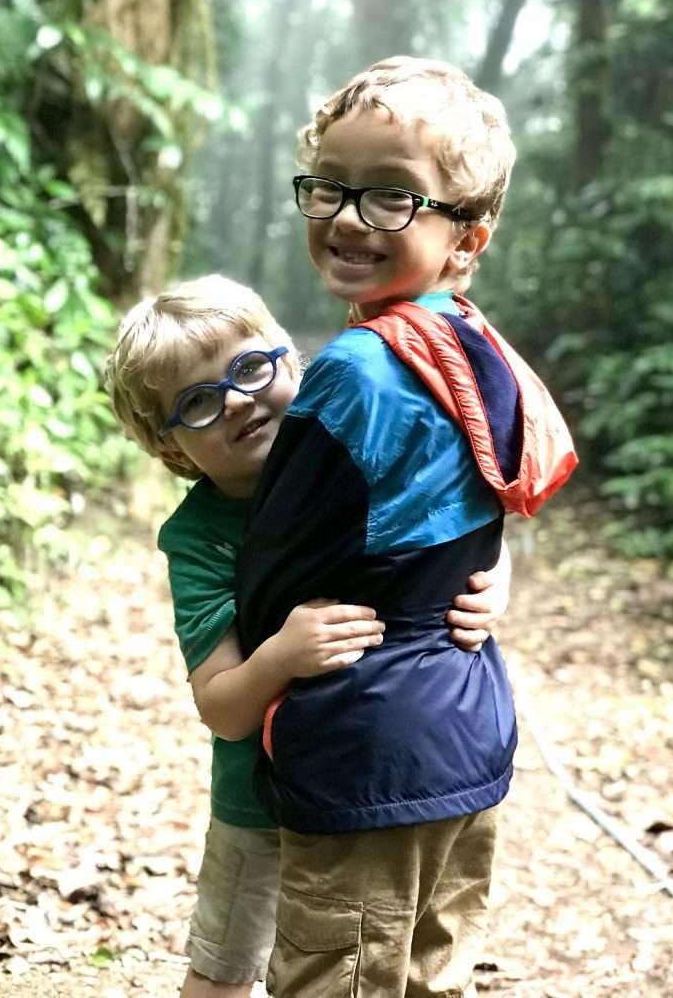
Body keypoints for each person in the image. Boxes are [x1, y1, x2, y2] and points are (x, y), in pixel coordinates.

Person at [233, 58, 578, 997]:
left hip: (364, 739)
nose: (348, 217)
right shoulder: (478, 346)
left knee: (334, 978)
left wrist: (250, 670)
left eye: (392, 196)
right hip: (468, 725)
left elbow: (277, 563)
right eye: (331, 187)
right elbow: (484, 515)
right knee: (431, 974)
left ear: (468, 237)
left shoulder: (355, 370)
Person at [104, 273, 513, 998]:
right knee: (226, 972)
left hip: (375, 784)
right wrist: (282, 656)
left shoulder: (360, 457)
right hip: (257, 805)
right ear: (172, 451)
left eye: (250, 368)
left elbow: (456, 522)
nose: (235, 399)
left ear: (292, 363)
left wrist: (495, 580)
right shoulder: (199, 538)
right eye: (196, 403)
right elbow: (223, 706)